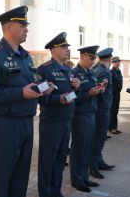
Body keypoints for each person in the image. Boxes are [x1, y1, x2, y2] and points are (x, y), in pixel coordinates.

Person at [0, 6, 49, 197]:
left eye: (27, 25)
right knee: (2, 176)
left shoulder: (25, 56)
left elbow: (27, 85)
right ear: (8, 27)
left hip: (26, 122)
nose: (27, 29)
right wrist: (20, 94)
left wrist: (41, 88)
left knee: (21, 175)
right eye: (22, 24)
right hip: (4, 125)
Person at [36, 32, 80, 197]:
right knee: (48, 159)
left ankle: (56, 190)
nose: (67, 50)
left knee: (61, 158)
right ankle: (45, 193)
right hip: (51, 122)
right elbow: (39, 96)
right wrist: (57, 100)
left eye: (67, 47)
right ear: (53, 50)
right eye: (63, 47)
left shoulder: (68, 70)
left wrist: (77, 87)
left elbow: (72, 92)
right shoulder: (44, 69)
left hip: (66, 120)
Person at [70, 45, 103, 193]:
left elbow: (91, 91)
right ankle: (76, 179)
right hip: (80, 115)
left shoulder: (91, 73)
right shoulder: (74, 74)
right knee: (79, 148)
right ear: (82, 56)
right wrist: (89, 93)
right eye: (90, 58)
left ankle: (84, 176)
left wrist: (99, 90)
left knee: (88, 147)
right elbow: (73, 97)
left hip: (91, 113)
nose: (92, 61)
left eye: (94, 58)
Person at [89, 48, 116, 179]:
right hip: (101, 110)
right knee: (98, 139)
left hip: (99, 109)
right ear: (110, 59)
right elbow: (100, 92)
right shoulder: (104, 72)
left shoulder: (97, 70)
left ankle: (98, 161)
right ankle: (93, 166)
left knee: (98, 138)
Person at [109, 56, 123, 134]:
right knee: (112, 110)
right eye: (115, 62)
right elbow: (111, 85)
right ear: (113, 63)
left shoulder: (119, 71)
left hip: (118, 94)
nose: (117, 63)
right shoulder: (111, 72)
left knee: (116, 110)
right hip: (113, 94)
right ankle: (111, 128)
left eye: (118, 62)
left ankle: (114, 127)